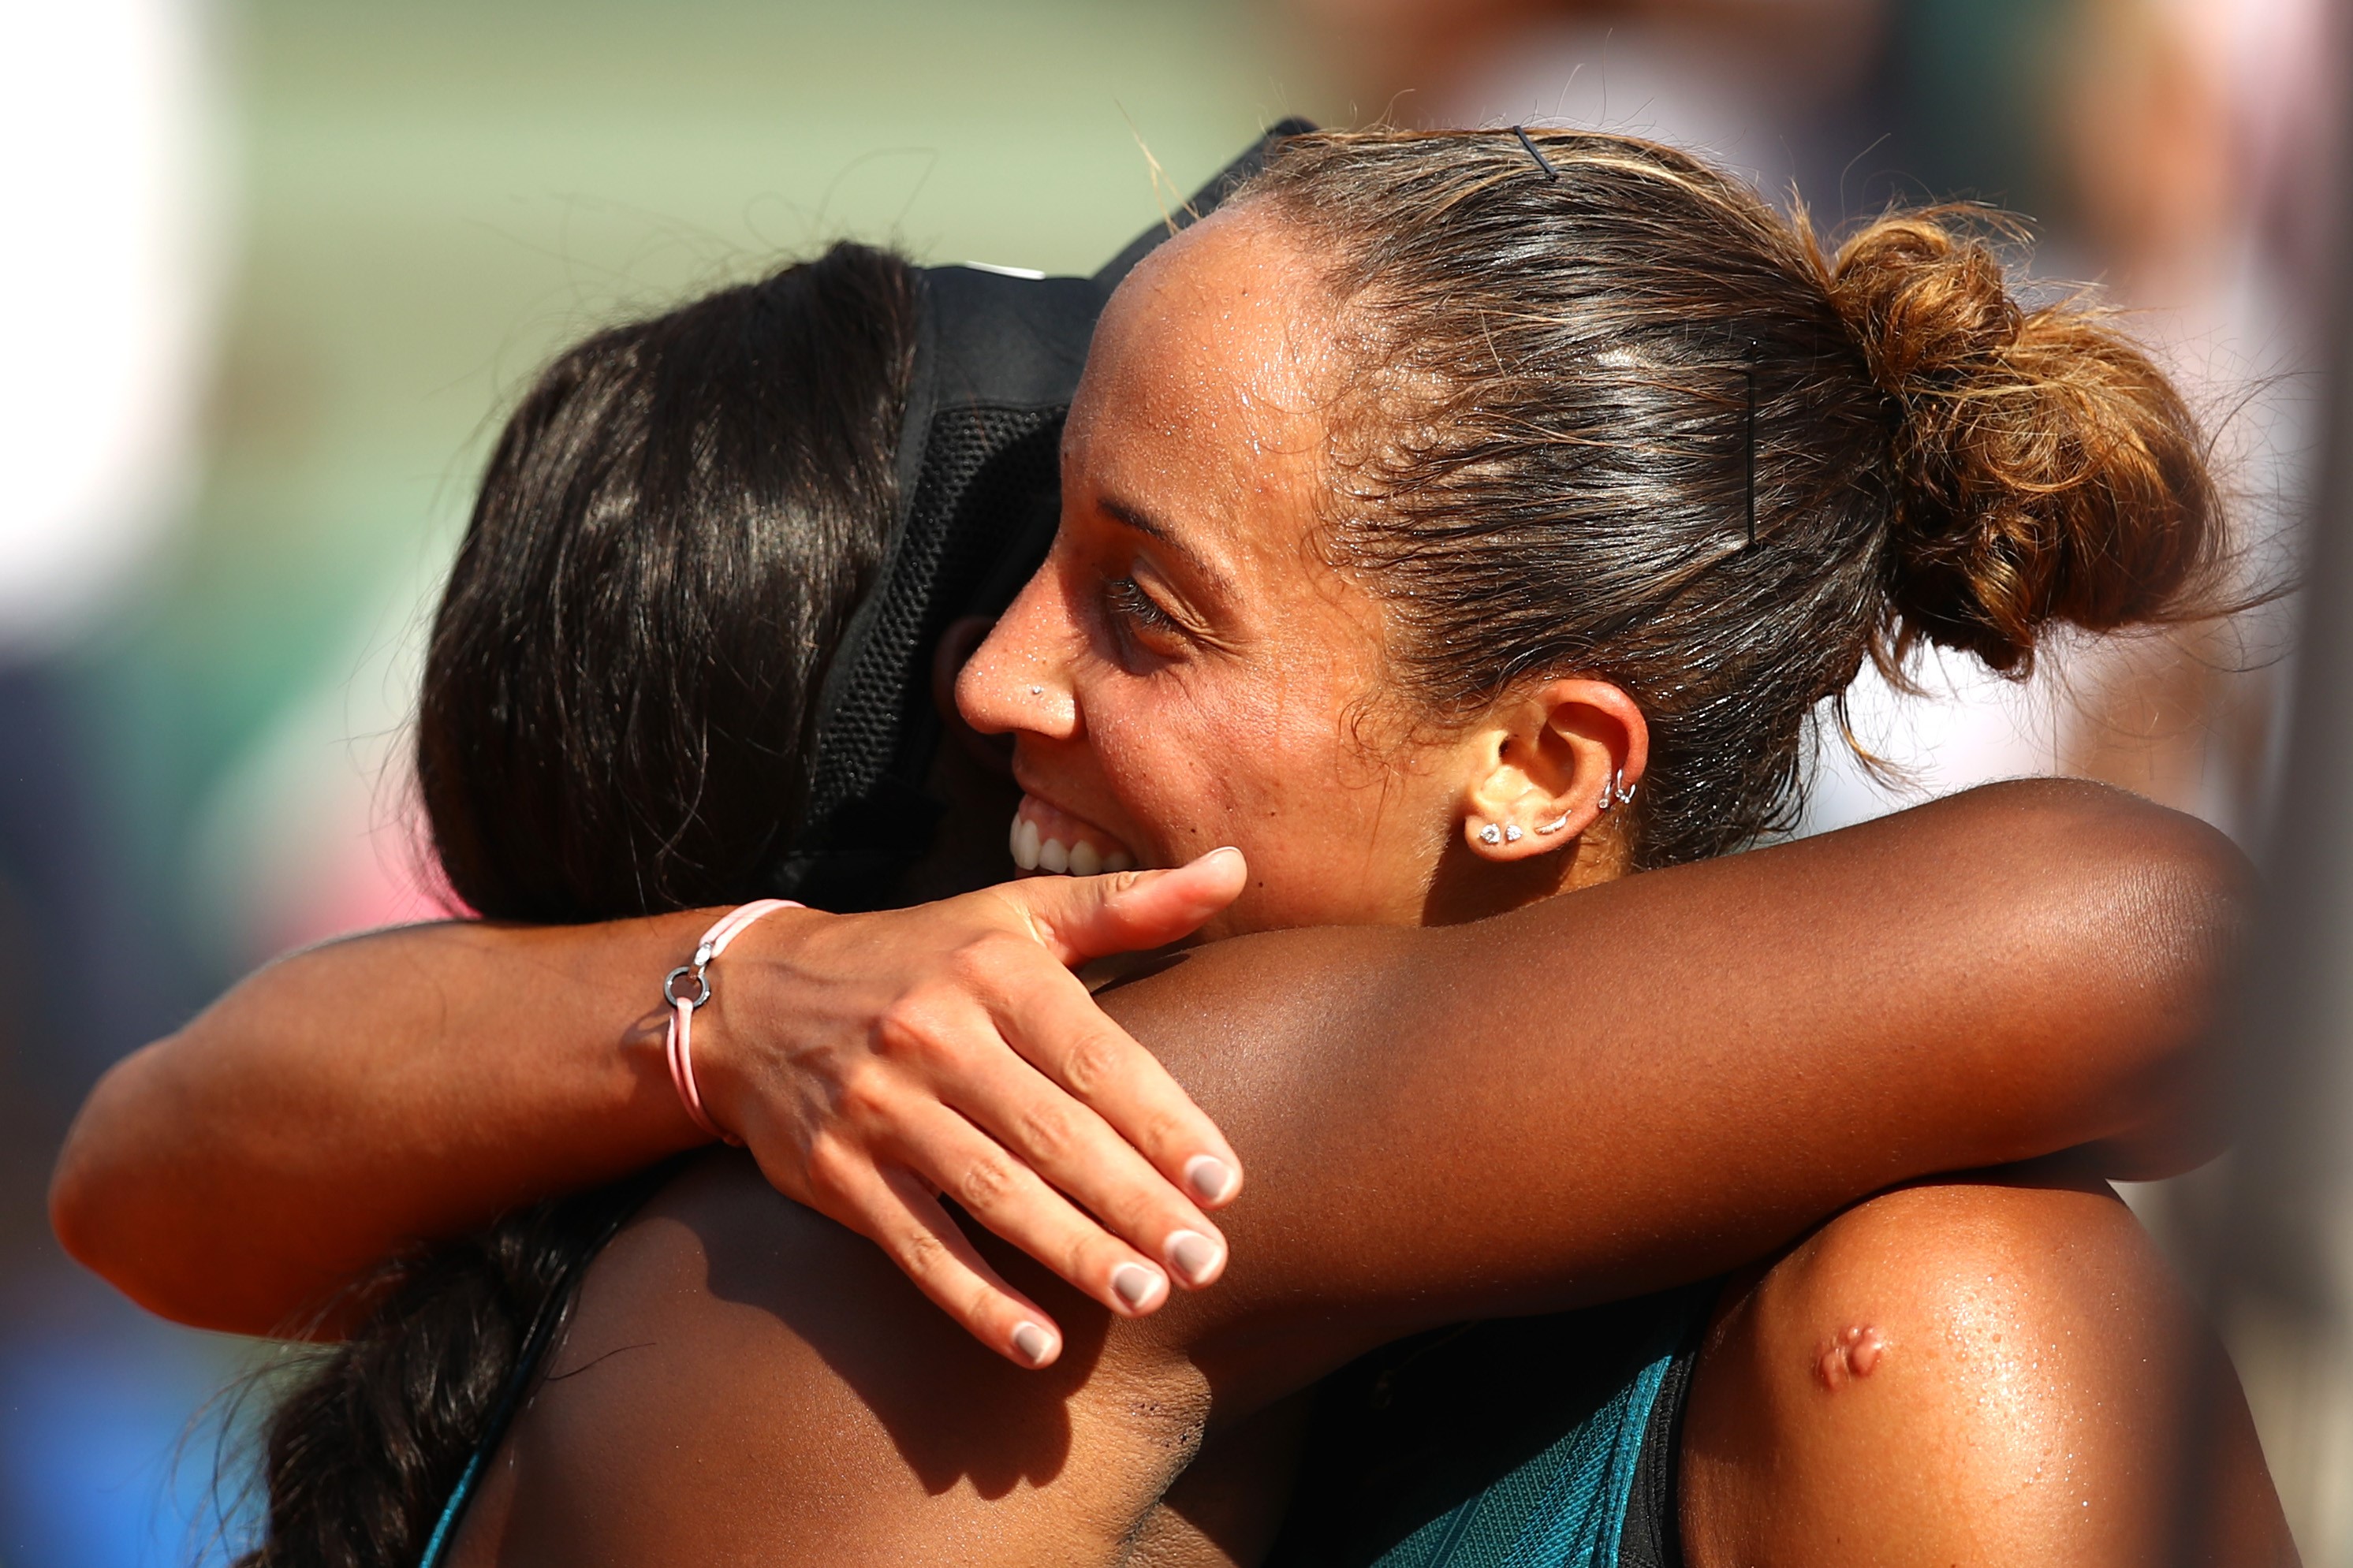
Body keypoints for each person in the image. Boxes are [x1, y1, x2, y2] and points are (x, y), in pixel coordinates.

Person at [58, 129, 2283, 1566]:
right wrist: (738, 998)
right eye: (1019, 566)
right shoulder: (1028, 1167)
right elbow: (2150, 927)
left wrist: (722, 989)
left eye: (1139, 601)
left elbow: (140, 1174)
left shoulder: (722, 1210)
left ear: (1542, 756)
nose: (1005, 688)